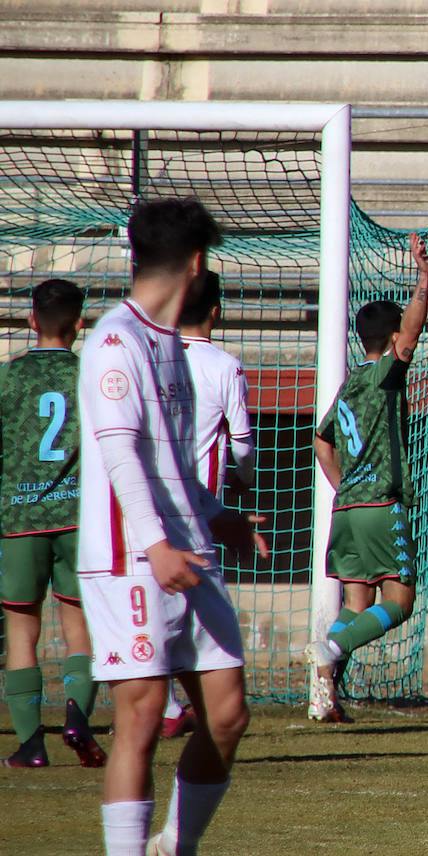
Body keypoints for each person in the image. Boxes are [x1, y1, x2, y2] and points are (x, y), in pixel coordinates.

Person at [76, 196, 267, 856]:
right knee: (143, 710)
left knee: (227, 712)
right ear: (195, 262)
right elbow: (121, 452)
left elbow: (170, 461)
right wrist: (156, 542)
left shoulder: (170, 347)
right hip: (132, 558)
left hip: (187, 547)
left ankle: (173, 850)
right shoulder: (114, 341)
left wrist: (218, 513)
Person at [0, 278, 107, 768]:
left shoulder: (5, 376)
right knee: (79, 627)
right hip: (79, 520)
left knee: (21, 630)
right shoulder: (91, 373)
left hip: (22, 518)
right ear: (80, 325)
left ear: (31, 321)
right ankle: (76, 717)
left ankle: (31, 743)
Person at [304, 232, 428, 722]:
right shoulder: (382, 376)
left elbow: (321, 441)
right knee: (398, 601)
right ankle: (329, 655)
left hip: (348, 509)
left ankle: (324, 694)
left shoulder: (349, 383)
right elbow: (412, 336)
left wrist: (343, 486)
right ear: (393, 334)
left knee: (357, 606)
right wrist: (423, 276)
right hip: (380, 505)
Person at [159, 271, 256, 740]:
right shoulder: (225, 365)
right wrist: (244, 482)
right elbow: (241, 442)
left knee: (167, 598)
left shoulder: (157, 357)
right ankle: (193, 706)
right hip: (201, 505)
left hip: (154, 498)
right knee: (203, 606)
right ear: (216, 310)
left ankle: (173, 706)